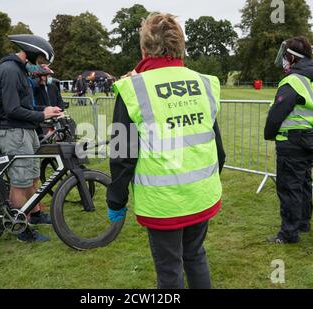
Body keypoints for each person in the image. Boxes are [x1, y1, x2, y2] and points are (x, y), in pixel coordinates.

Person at [106, 12, 226, 289]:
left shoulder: (134, 88)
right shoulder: (203, 82)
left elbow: (122, 153)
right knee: (195, 256)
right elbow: (217, 145)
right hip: (202, 193)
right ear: (180, 45)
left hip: (163, 201)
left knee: (170, 269)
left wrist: (116, 199)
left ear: (144, 47)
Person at [0, 34, 62, 242]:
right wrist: (42, 115)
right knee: (20, 182)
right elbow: (12, 109)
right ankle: (20, 228)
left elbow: (25, 107)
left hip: (26, 130)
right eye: (41, 58)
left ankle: (36, 213)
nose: (41, 64)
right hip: (14, 132)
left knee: (32, 176)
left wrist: (45, 109)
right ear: (31, 52)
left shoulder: (20, 70)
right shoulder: (10, 70)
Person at [265, 36, 313, 244]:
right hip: (307, 139)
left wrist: (269, 133)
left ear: (292, 57)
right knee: (304, 183)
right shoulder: (311, 78)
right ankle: (303, 222)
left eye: (285, 56)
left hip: (291, 142)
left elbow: (277, 113)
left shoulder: (293, 80)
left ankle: (289, 233)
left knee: (289, 187)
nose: (283, 60)